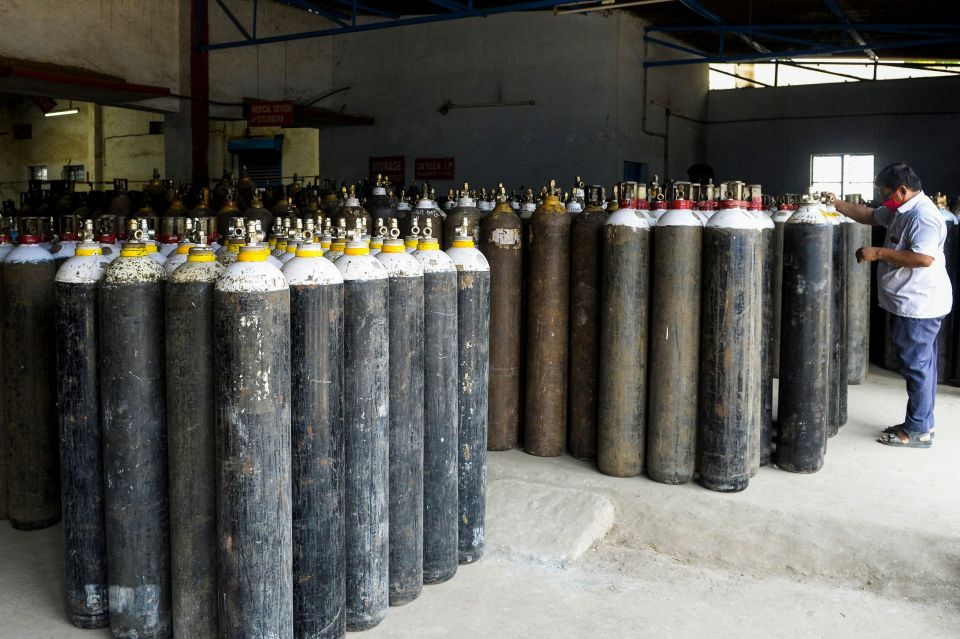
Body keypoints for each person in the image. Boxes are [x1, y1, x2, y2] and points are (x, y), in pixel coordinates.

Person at [825, 162, 953, 448]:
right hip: (911, 302)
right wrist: (837, 204)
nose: (883, 200)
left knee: (917, 367)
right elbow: (870, 215)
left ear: (903, 190)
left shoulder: (924, 216)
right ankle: (921, 422)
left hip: (920, 305)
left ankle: (918, 430)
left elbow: (923, 258)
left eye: (886, 194)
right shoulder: (899, 208)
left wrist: (878, 253)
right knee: (923, 366)